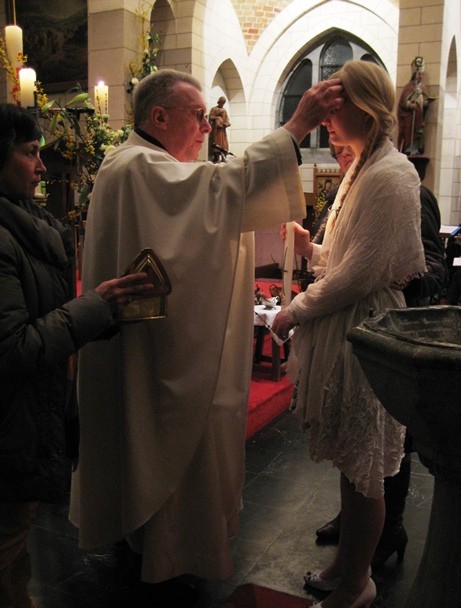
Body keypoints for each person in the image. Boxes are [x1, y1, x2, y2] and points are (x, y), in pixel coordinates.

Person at [68, 69, 343, 605]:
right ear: (158, 117)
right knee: (157, 437)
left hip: (150, 345)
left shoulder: (136, 164)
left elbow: (204, 209)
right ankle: (160, 552)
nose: (207, 127)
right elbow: (217, 192)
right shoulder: (137, 166)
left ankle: (144, 540)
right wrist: (294, 129)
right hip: (154, 353)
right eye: (198, 115)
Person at [272, 60, 425, 608]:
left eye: (336, 108)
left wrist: (295, 310)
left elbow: (360, 276)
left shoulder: (390, 174)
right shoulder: (364, 166)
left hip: (366, 331)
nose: (326, 120)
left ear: (367, 109)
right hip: (349, 328)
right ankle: (346, 565)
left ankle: (358, 583)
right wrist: (310, 248)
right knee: (350, 460)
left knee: (367, 469)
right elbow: (345, 259)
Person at [0, 104, 155, 608]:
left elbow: (47, 314)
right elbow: (13, 348)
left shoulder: (27, 223)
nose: (42, 166)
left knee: (16, 551)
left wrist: (109, 314)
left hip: (28, 416)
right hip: (9, 424)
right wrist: (95, 306)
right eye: (30, 153)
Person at [314, 156, 448, 568]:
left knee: (388, 441)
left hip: (390, 330)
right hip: (349, 328)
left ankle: (391, 530)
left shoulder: (411, 193)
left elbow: (434, 268)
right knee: (352, 439)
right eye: (338, 151)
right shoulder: (342, 193)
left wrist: (395, 277)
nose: (343, 158)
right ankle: (353, 519)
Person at [397, 56, 434, 156]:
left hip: (418, 116)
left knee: (417, 133)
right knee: (409, 132)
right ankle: (408, 148)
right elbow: (403, 102)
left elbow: (424, 103)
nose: (421, 76)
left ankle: (416, 149)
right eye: (419, 74)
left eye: (422, 74)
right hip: (409, 117)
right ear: (415, 74)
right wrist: (409, 104)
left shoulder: (423, 87)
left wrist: (425, 103)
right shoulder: (408, 87)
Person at [209, 95, 231, 161]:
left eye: (224, 103)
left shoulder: (224, 110)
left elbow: (226, 118)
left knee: (224, 144)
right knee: (217, 143)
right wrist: (217, 118)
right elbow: (210, 117)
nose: (222, 104)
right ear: (219, 102)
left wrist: (226, 123)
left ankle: (223, 157)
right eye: (222, 102)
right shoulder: (214, 109)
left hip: (222, 130)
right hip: (216, 130)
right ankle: (216, 157)